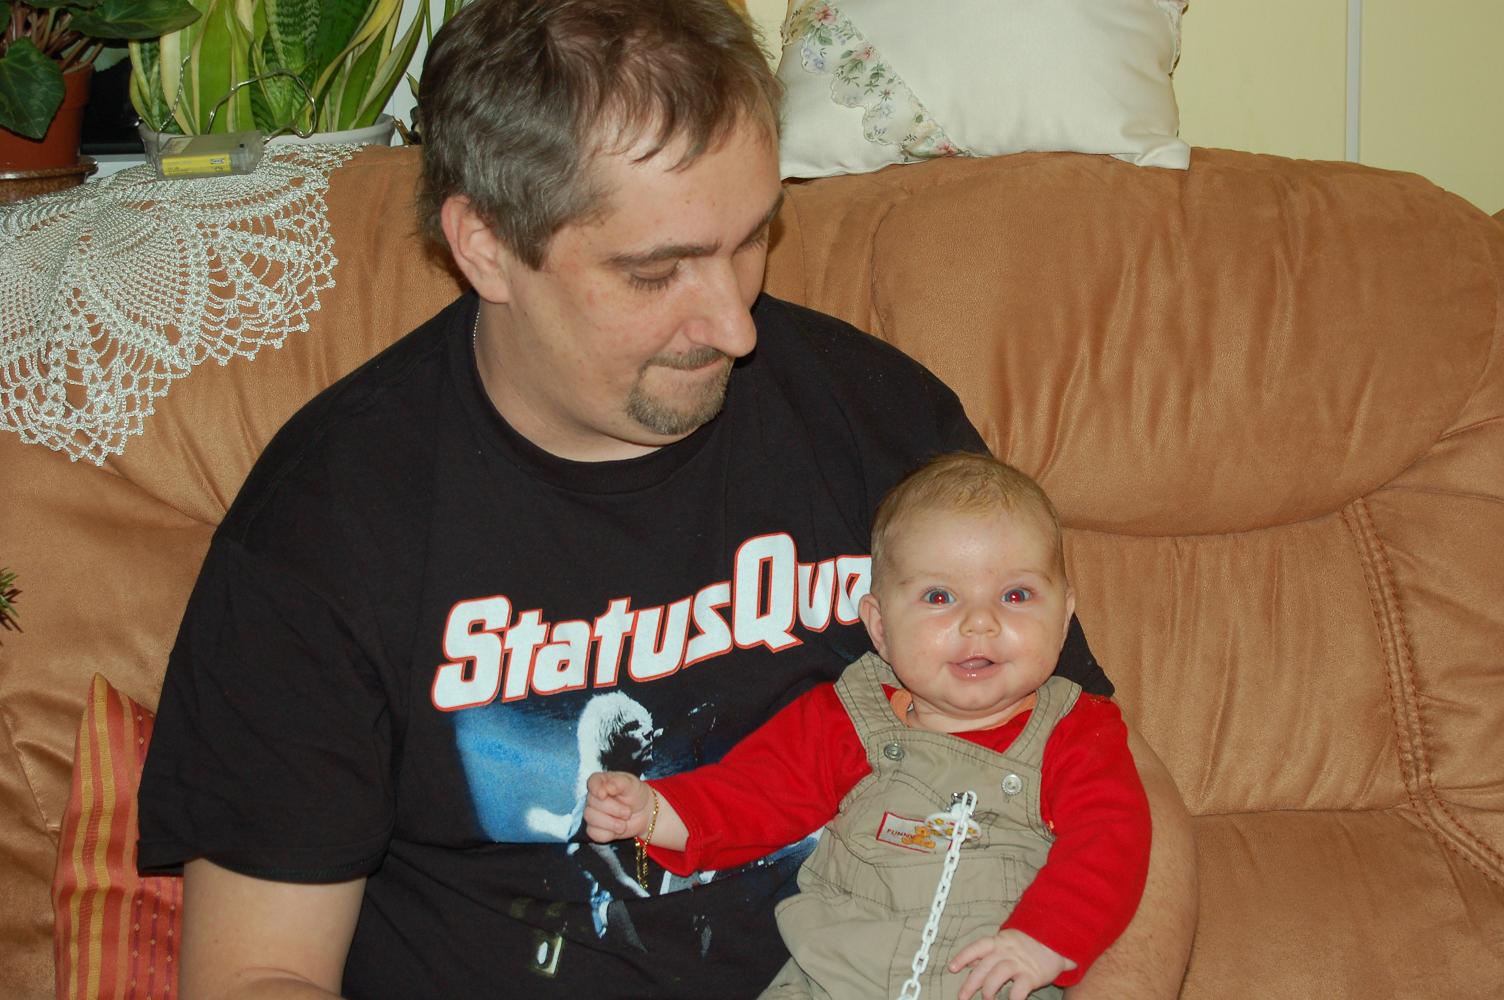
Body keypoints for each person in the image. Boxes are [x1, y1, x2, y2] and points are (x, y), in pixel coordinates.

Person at [136, 1, 1196, 998]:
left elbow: (1105, 769)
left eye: (751, 239)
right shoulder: (328, 522)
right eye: (656, 273)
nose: (735, 324)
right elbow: (257, 972)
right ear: (486, 246)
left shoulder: (873, 418)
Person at [585, 453, 1150, 1000]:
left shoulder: (1076, 732)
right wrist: (653, 812)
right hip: (830, 980)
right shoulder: (846, 719)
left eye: (1015, 595)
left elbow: (1111, 838)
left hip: (984, 977)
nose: (980, 622)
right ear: (879, 626)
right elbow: (754, 795)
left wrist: (1046, 938)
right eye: (939, 596)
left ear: (1064, 617)